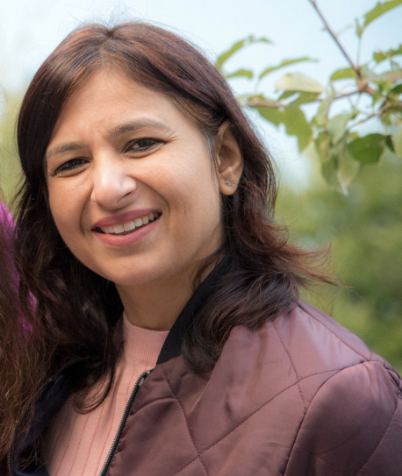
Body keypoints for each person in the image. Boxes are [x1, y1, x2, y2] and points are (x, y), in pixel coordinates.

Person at [1, 22, 401, 476]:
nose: (108, 189)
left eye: (141, 144)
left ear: (225, 159)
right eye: (71, 163)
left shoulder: (339, 397)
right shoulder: (43, 378)